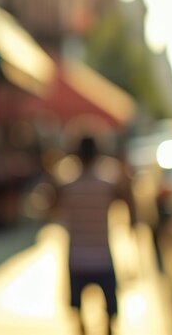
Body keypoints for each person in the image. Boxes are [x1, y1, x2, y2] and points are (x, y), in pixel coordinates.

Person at [51, 135, 132, 324]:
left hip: (77, 260)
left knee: (79, 318)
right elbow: (126, 200)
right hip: (103, 259)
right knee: (111, 317)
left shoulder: (68, 187)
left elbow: (50, 207)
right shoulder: (107, 186)